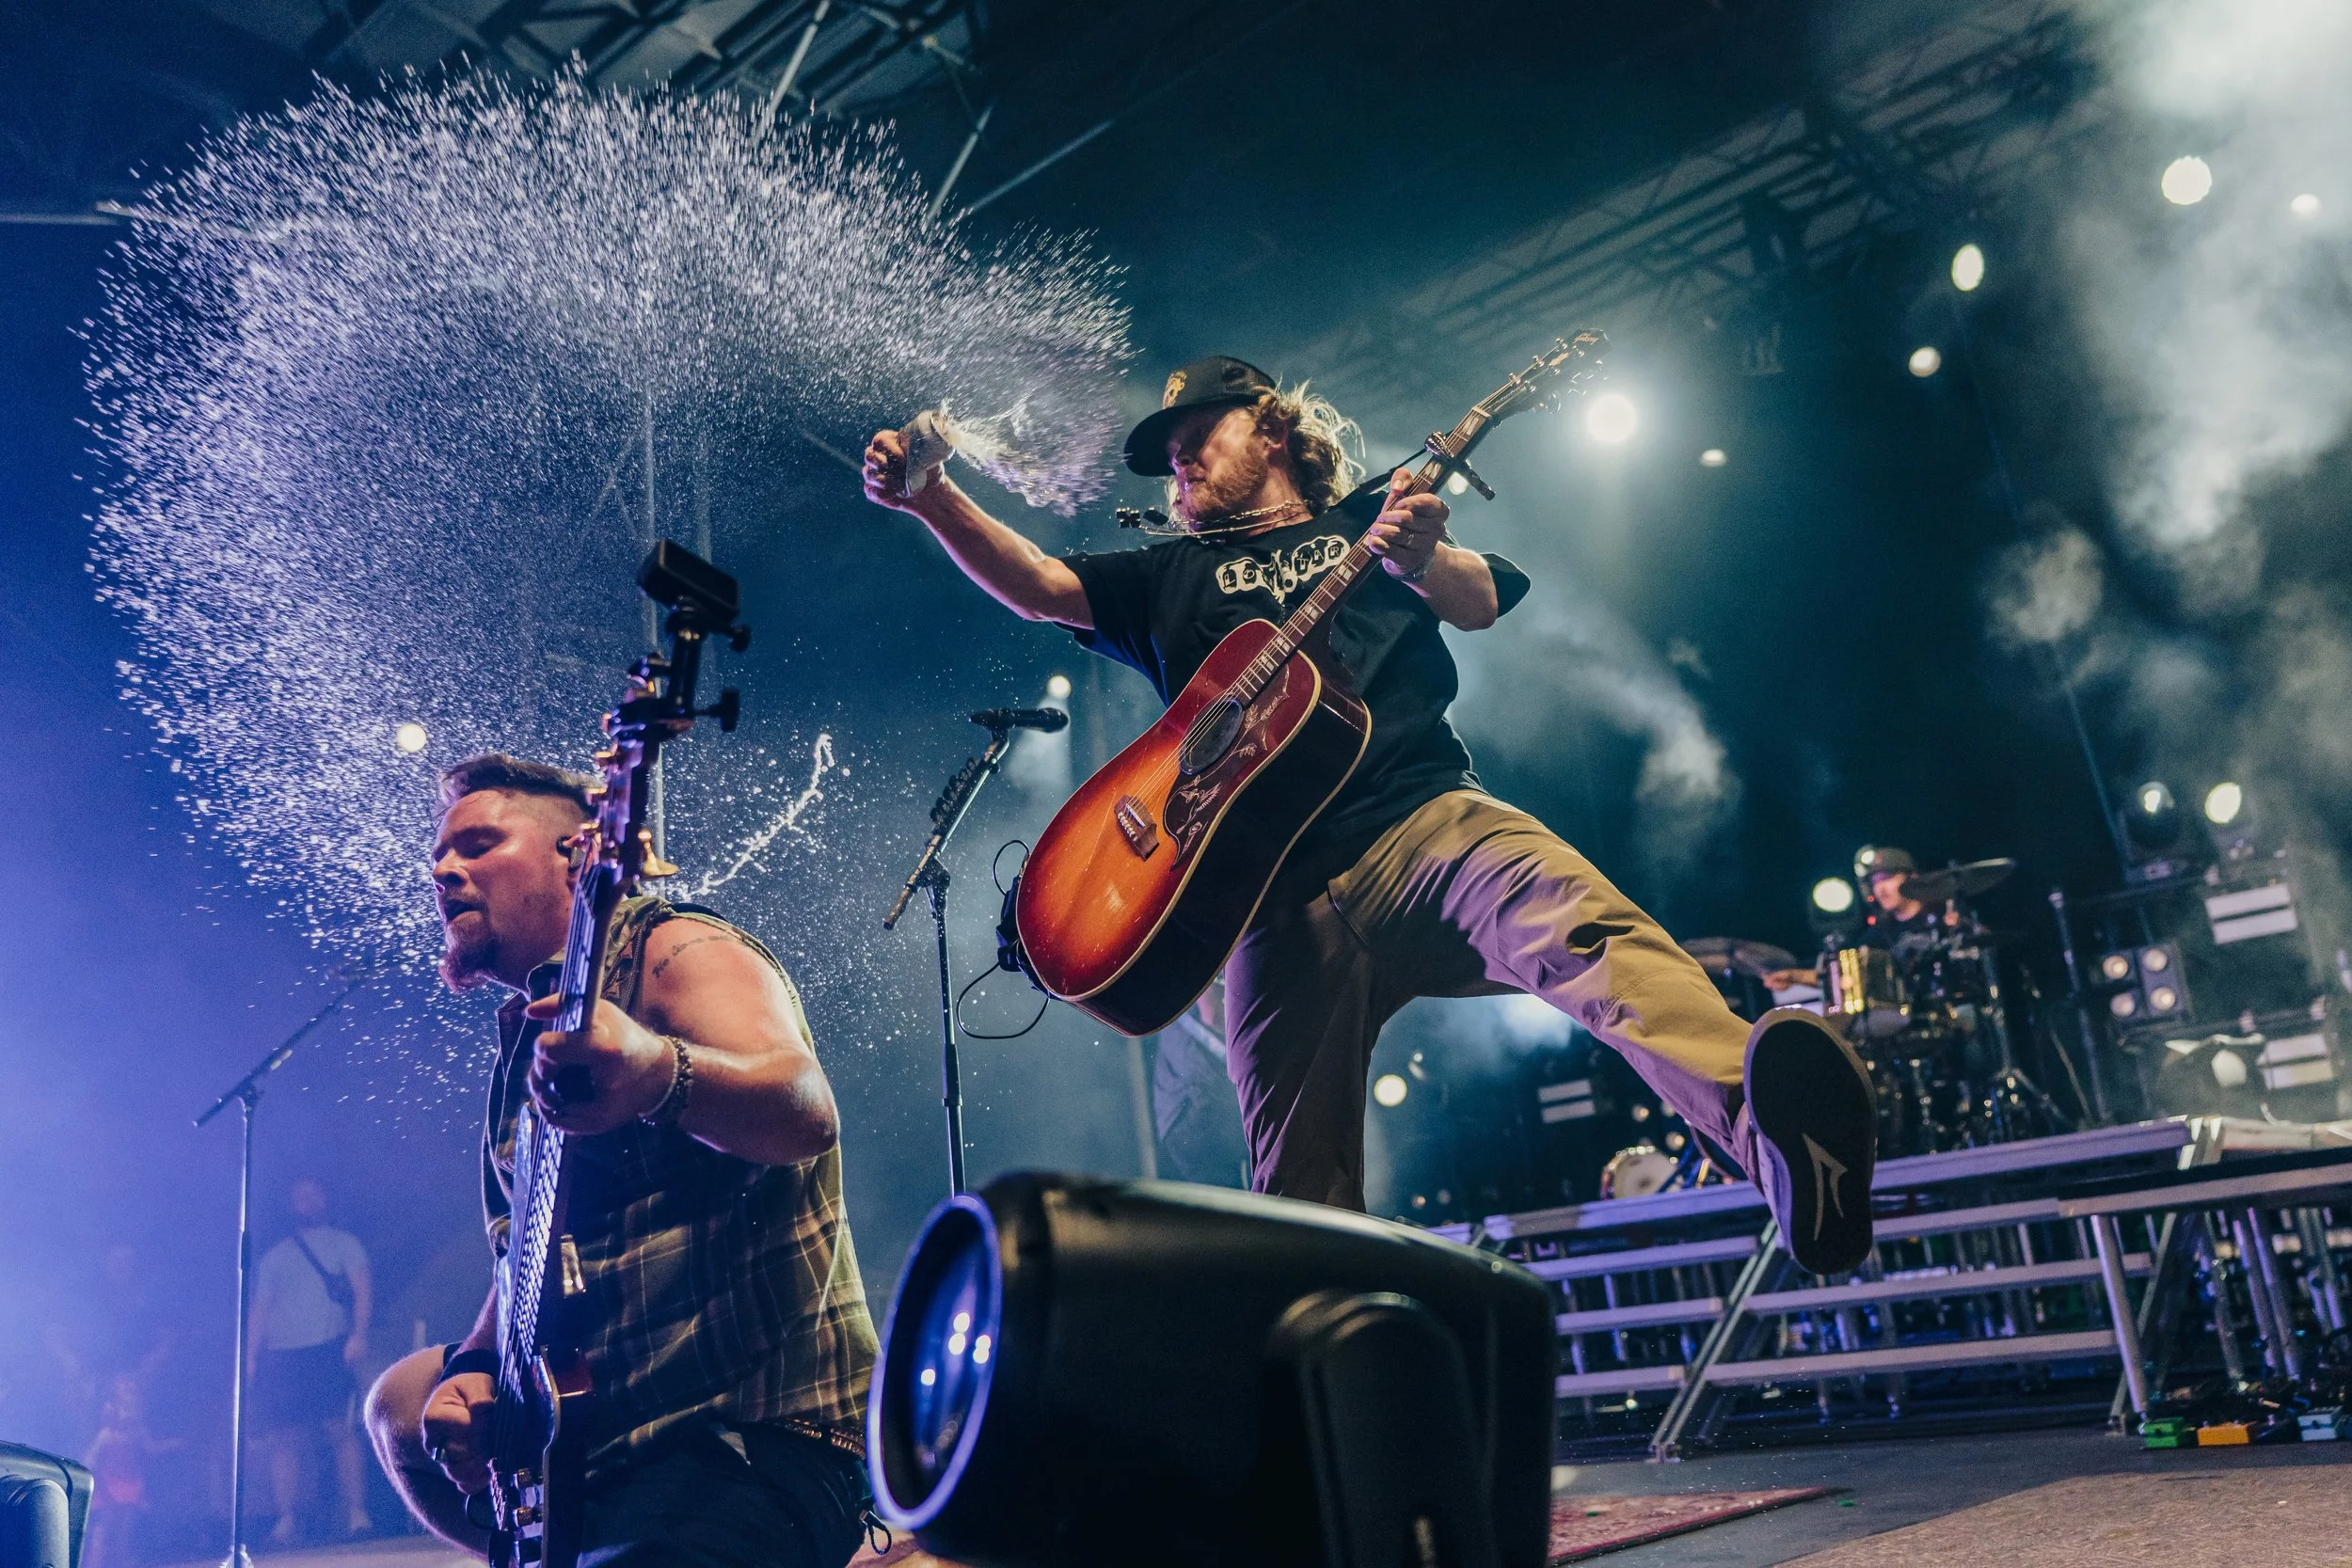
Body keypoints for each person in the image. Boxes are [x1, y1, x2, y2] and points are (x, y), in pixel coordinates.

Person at [862, 355, 1880, 1275]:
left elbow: (1478, 598)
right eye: (1165, 459)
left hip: (1424, 822)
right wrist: (932, 499)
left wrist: (1420, 555)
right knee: (1297, 1196)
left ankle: (1777, 1137)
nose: (1176, 469)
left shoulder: (1370, 518)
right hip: (1269, 900)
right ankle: (1330, 1419)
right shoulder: (1166, 575)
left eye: (1193, 442)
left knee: (1586, 928)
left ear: (1269, 428)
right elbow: (1040, 586)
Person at [363, 754, 875, 1568]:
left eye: (479, 843)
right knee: (398, 1405)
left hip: (745, 1443)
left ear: (578, 853)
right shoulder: (527, 1036)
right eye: (440, 855)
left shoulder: (677, 949)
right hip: (598, 1453)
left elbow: (805, 1108)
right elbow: (530, 1263)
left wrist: (655, 1070)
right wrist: (471, 1366)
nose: (444, 868)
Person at [247, 1177, 373, 1543]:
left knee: (341, 1430)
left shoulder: (344, 1243)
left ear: (324, 1200)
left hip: (329, 1347)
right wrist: (250, 1357)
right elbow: (260, 1309)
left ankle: (357, 1512)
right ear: (291, 1205)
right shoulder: (276, 1256)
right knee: (283, 1438)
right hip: (284, 1357)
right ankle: (286, 1518)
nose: (307, 1199)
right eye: (299, 1195)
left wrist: (359, 1334)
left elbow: (362, 1289)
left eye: (313, 1193)